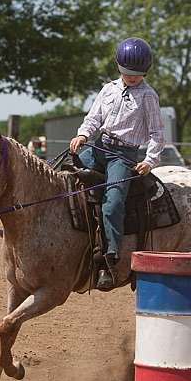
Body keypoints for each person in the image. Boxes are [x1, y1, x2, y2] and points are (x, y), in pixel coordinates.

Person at [69, 37, 165, 290]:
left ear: (145, 71)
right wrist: (82, 135)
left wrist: (150, 160)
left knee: (113, 204)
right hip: (99, 146)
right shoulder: (108, 89)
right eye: (127, 72)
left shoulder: (148, 96)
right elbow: (93, 118)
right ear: (119, 68)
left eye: (137, 74)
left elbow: (157, 133)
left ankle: (110, 259)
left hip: (123, 156)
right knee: (63, 174)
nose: (132, 77)